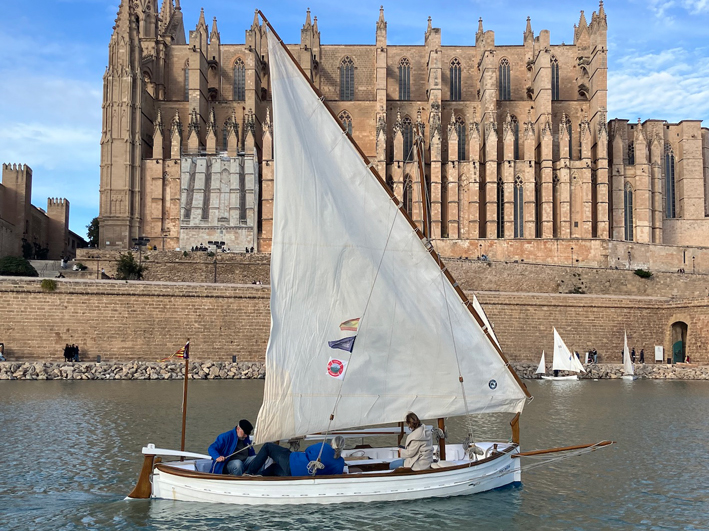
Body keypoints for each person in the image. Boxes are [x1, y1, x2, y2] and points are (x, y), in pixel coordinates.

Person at [244, 436, 345, 477]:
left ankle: (249, 473)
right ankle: (260, 476)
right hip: (296, 475)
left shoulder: (324, 447)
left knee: (268, 447)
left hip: (292, 463)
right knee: (273, 468)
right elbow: (335, 476)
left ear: (332, 443)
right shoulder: (340, 463)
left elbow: (308, 450)